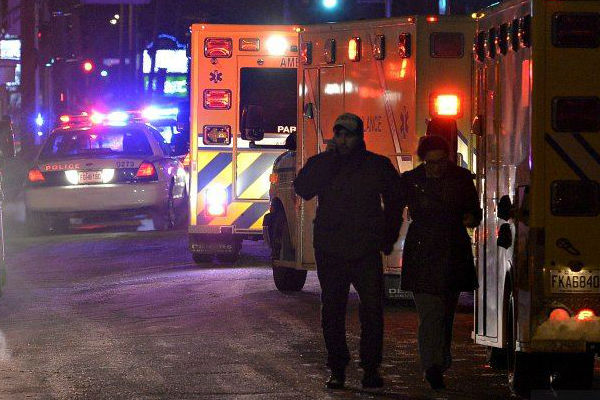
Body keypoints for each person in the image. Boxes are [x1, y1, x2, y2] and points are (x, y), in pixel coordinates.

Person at [293, 113, 403, 389]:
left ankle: (370, 369)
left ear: (359, 137)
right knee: (332, 311)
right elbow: (303, 188)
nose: (343, 140)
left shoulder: (376, 165)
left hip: (364, 248)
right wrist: (327, 160)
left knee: (372, 311)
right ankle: (338, 368)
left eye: (348, 135)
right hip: (332, 249)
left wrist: (387, 237)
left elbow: (395, 200)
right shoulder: (326, 164)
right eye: (339, 135)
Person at [398, 134, 481, 390]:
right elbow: (392, 207)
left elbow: (474, 210)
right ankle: (432, 365)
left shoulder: (460, 178)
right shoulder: (411, 181)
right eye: (432, 162)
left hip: (450, 251)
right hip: (424, 251)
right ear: (424, 160)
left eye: (441, 161)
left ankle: (439, 359)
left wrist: (471, 217)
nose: (437, 167)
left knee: (444, 313)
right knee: (430, 313)